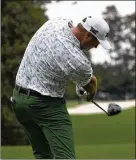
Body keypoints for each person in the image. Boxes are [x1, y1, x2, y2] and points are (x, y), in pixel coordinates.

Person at [11, 16, 111, 159]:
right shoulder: (79, 62)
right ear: (88, 35)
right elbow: (91, 83)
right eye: (97, 42)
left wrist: (80, 84)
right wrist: (89, 94)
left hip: (19, 101)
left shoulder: (57, 22)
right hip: (45, 106)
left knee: (43, 155)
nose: (96, 47)